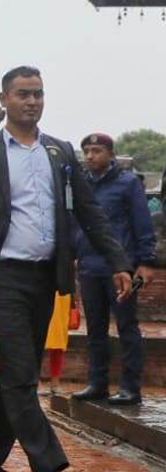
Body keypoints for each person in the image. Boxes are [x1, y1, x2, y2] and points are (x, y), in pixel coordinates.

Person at [0, 66, 132, 472]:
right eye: (23, 94)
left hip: (44, 279)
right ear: (4, 99)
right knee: (20, 373)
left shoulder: (61, 154)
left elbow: (89, 214)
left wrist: (119, 262)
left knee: (16, 374)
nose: (32, 101)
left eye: (38, 94)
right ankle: (47, 471)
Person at [71, 133, 155, 406]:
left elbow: (142, 223)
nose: (90, 156)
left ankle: (131, 387)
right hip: (89, 266)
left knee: (127, 327)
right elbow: (75, 222)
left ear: (110, 154)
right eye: (86, 151)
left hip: (120, 268)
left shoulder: (127, 183)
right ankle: (97, 383)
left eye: (96, 151)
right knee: (94, 330)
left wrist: (145, 262)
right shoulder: (80, 183)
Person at [40, 293, 73, 397]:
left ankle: (55, 383)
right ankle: (36, 382)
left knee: (58, 340)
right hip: (38, 288)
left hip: (60, 292)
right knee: (36, 337)